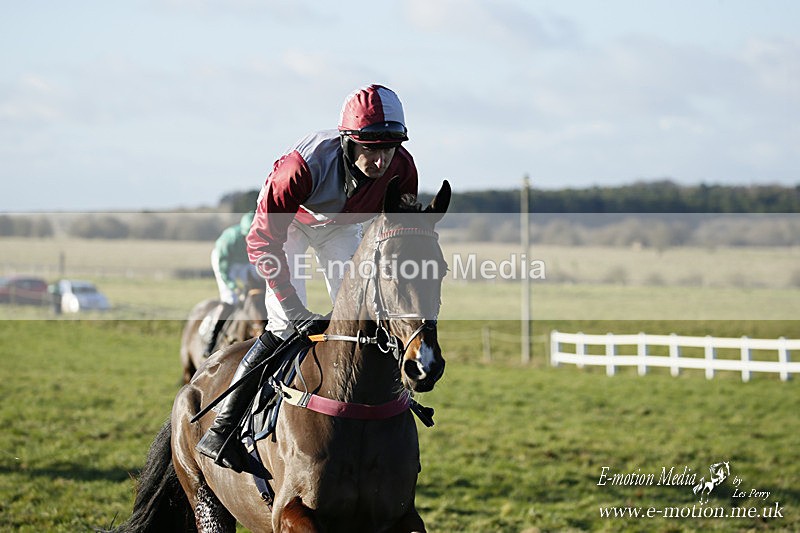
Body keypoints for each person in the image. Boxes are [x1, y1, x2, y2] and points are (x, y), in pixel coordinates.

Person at [196, 84, 419, 471]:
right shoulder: (300, 168)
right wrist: (294, 307)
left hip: (341, 226)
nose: (381, 160)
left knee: (368, 314)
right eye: (370, 147)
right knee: (284, 325)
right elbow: (262, 241)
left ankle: (388, 404)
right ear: (349, 140)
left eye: (390, 146)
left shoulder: (403, 167)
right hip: (292, 223)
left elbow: (397, 234)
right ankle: (224, 428)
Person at [202, 211, 258, 356]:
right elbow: (223, 271)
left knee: (257, 289)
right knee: (231, 298)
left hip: (244, 262)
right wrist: (235, 287)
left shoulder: (258, 235)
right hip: (225, 263)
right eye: (248, 236)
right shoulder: (230, 239)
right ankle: (211, 340)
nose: (250, 239)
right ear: (243, 232)